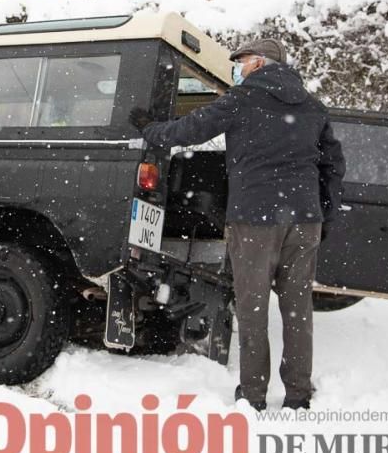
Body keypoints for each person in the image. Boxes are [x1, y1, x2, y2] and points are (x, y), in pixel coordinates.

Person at [129, 39, 345, 411]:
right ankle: (298, 395)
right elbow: (333, 166)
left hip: (255, 218)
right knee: (297, 308)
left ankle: (254, 395)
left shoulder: (244, 98)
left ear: (259, 63)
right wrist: (325, 213)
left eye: (241, 63)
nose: (238, 69)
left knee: (252, 306)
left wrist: (150, 129)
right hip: (304, 218)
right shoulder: (312, 107)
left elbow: (189, 131)